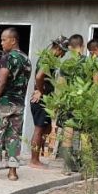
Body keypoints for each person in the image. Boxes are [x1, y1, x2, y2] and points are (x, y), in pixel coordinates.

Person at [0, 27, 32, 181]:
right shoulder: (27, 59)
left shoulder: (7, 58)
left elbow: (1, 80)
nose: (1, 43)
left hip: (4, 103)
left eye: (4, 39)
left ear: (13, 40)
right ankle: (12, 172)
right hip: (19, 105)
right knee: (14, 137)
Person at [29, 37, 67, 168]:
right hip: (41, 100)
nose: (63, 55)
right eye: (63, 52)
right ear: (58, 48)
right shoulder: (47, 59)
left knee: (47, 128)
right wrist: (40, 91)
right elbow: (39, 76)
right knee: (39, 129)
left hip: (45, 99)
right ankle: (34, 160)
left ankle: (37, 157)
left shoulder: (49, 59)